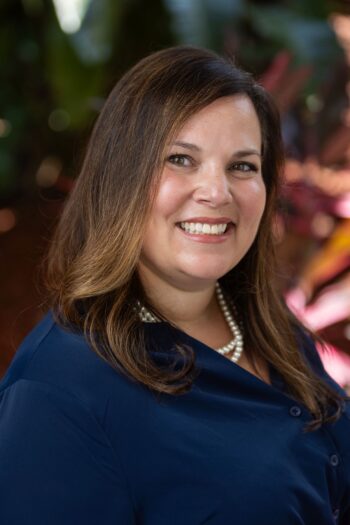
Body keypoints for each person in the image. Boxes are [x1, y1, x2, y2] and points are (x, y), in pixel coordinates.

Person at [0, 46, 349, 525]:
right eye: (181, 159)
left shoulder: (269, 329)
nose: (216, 192)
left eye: (242, 166)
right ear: (121, 177)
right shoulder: (59, 390)